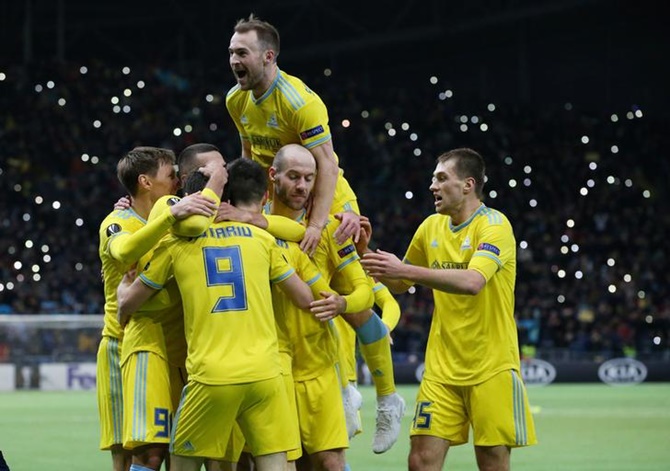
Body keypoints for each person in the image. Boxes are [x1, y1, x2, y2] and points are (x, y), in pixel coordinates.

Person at [116, 156, 326, 471]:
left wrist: (121, 296)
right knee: (274, 464)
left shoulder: (176, 244)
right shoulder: (262, 240)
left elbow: (130, 303)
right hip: (264, 374)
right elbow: (302, 297)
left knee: (184, 464)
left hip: (211, 376)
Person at [360, 148, 537, 470]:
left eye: (442, 178)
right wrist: (365, 252)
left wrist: (406, 272)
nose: (433, 186)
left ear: (468, 185)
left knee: (492, 462)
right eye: (433, 179)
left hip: (492, 367)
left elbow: (472, 282)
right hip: (441, 369)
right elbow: (400, 283)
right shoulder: (431, 227)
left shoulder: (495, 226)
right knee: (420, 461)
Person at [267, 144, 406, 454]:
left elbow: (369, 294)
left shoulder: (333, 219)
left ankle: (384, 398)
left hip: (320, 362)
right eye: (294, 177)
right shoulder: (256, 212)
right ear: (274, 175)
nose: (302, 185)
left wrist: (342, 304)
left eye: (308, 178)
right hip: (273, 359)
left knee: (330, 458)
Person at [97, 146, 218, 471]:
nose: (179, 182)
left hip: (177, 347)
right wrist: (169, 216)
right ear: (145, 182)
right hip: (125, 345)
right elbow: (123, 252)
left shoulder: (181, 216)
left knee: (180, 449)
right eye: (171, 175)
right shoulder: (117, 221)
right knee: (134, 450)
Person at [226, 14, 360, 255]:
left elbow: (327, 164)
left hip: (325, 199)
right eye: (231, 53)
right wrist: (247, 202)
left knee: (347, 276)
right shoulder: (235, 99)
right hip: (279, 198)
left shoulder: (299, 103)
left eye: (242, 53)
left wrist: (317, 225)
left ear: (268, 57)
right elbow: (249, 154)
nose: (234, 60)